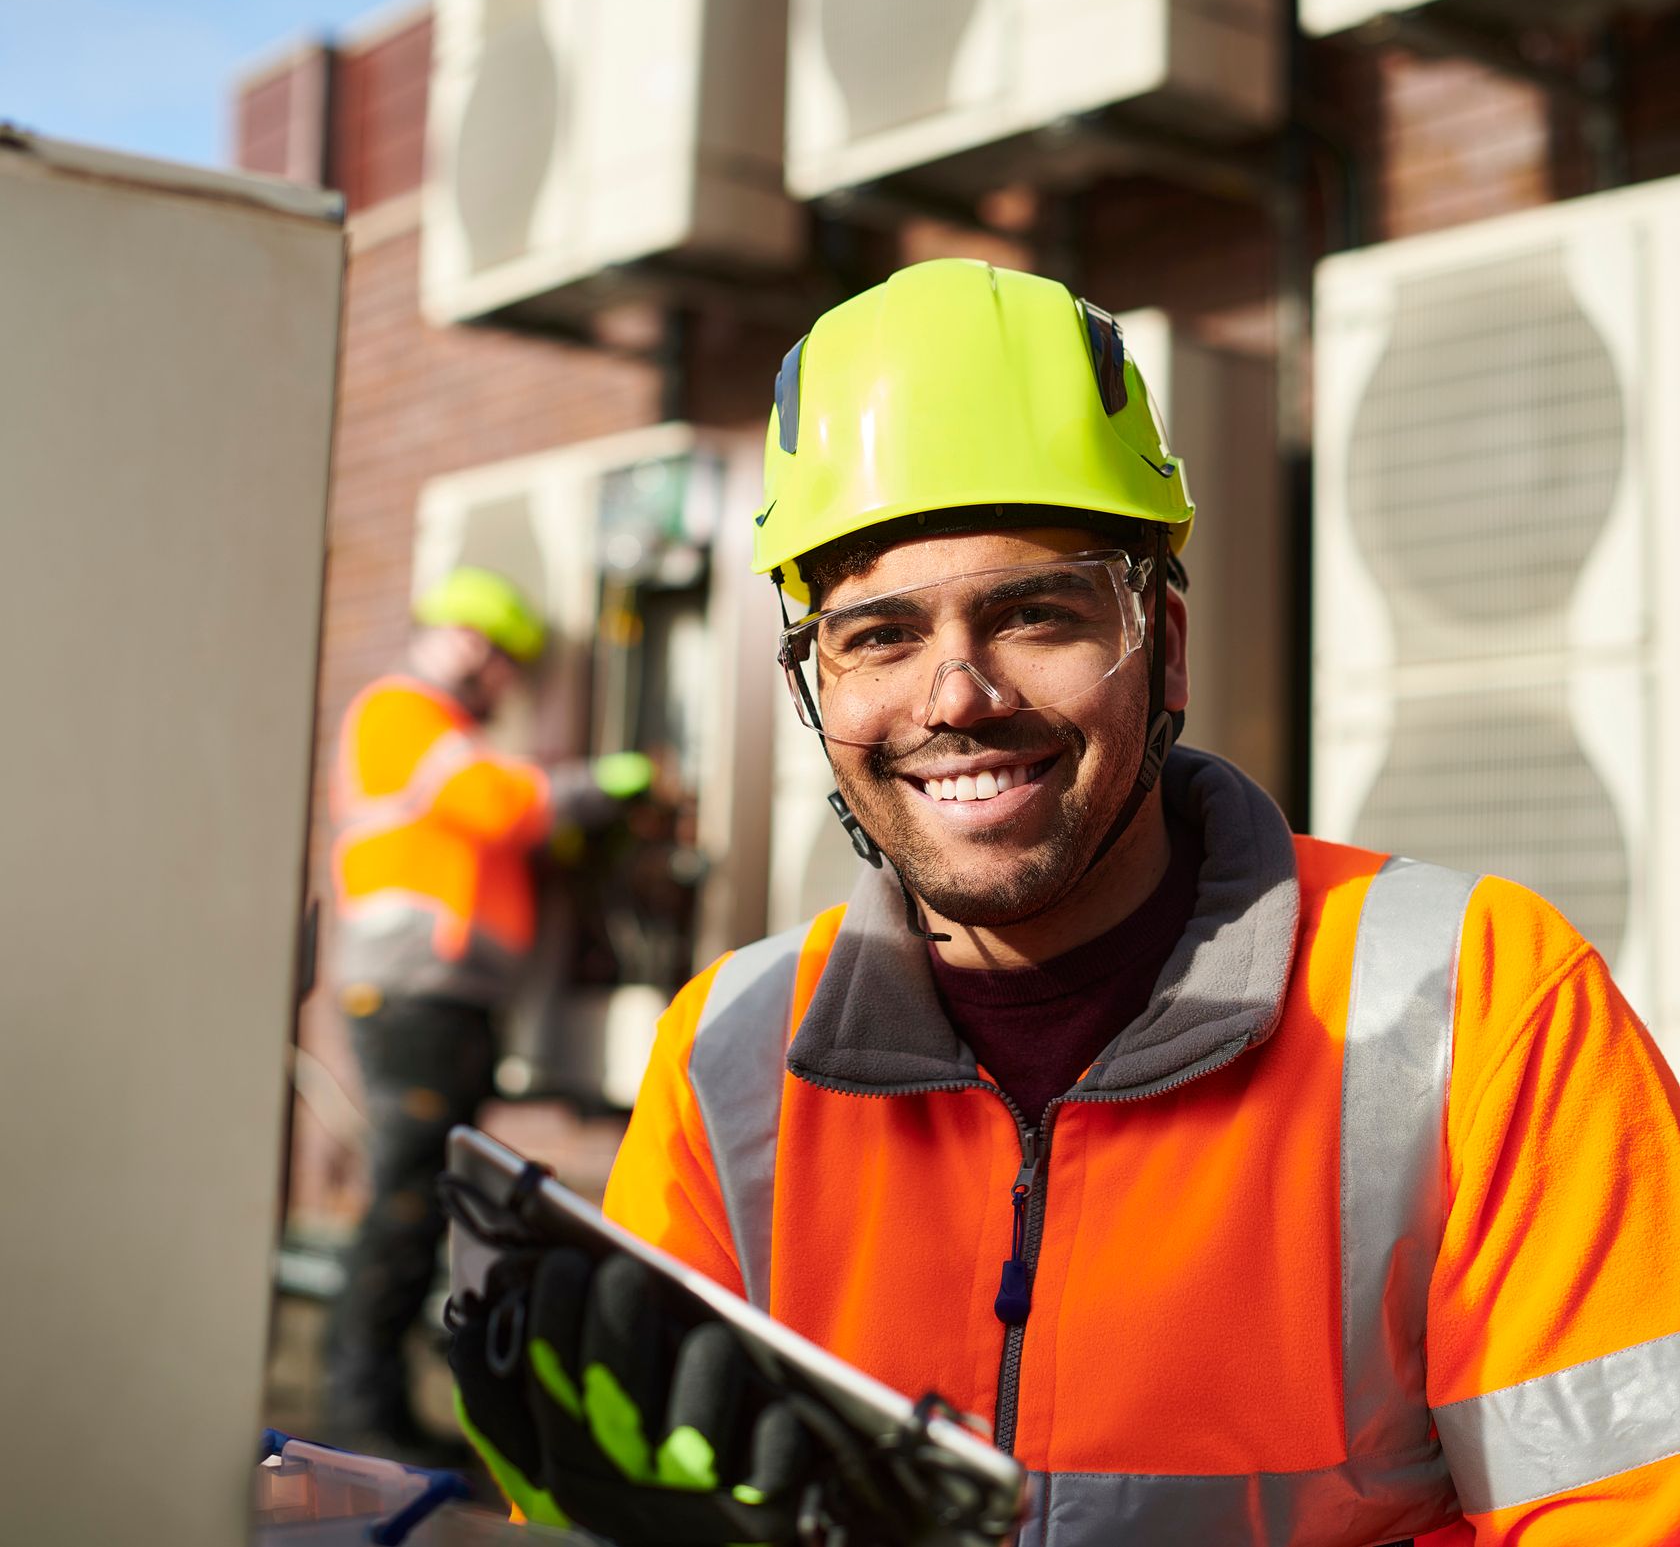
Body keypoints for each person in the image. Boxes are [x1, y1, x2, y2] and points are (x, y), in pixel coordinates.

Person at [449, 262, 1680, 1542]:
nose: (956, 697)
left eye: (1035, 614)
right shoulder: (729, 1054)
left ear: (1168, 650)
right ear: (815, 687)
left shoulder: (1479, 1004)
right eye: (877, 635)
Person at [325, 565, 653, 1458]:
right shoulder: (403, 712)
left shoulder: (446, 727)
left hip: (444, 1001)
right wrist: (602, 787)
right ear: (470, 642)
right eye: (506, 660)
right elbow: (501, 806)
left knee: (420, 1198)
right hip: (413, 997)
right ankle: (359, 1413)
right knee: (402, 1203)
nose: (506, 681)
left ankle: (372, 1407)